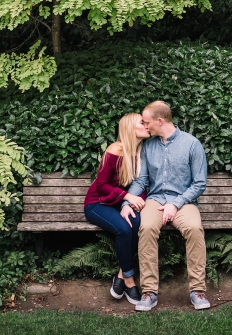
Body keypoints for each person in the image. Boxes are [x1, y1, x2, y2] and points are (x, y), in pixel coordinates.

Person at [121, 100, 210, 311]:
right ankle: (149, 292)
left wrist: (176, 203)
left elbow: (199, 183)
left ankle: (197, 290)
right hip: (155, 199)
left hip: (184, 201)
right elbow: (141, 180)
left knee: (195, 229)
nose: (144, 125)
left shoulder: (191, 144)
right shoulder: (148, 147)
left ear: (160, 121)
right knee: (147, 228)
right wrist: (127, 202)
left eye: (147, 121)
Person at [83, 112, 148, 304]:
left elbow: (141, 185)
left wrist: (130, 203)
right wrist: (127, 197)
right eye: (142, 123)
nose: (146, 126)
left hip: (120, 203)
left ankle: (120, 275)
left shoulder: (141, 151)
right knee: (122, 228)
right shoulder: (115, 150)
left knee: (137, 223)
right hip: (98, 203)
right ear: (130, 129)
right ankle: (129, 280)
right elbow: (102, 185)